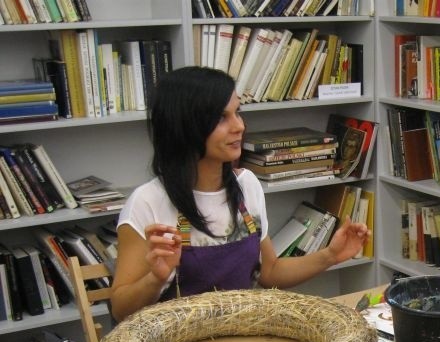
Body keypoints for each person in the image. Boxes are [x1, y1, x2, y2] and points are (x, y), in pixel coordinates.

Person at [110, 67, 370, 322]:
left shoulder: (247, 185)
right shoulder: (148, 202)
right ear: (185, 126)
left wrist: (330, 255)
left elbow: (269, 271)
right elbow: (120, 310)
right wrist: (156, 278)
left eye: (238, 112)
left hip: (240, 338)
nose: (239, 126)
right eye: (221, 118)